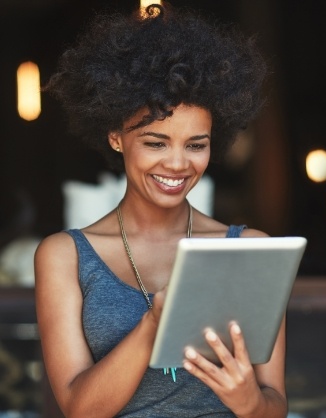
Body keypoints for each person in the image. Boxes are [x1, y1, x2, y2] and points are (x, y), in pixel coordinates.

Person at [34, 4, 287, 417]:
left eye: (196, 144)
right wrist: (155, 325)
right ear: (117, 136)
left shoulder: (247, 249)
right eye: (156, 143)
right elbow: (80, 409)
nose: (177, 164)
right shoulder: (66, 256)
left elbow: (275, 405)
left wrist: (250, 402)